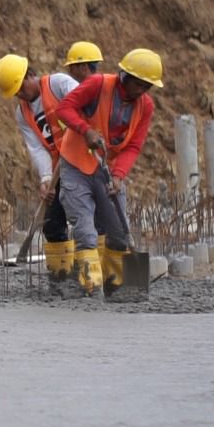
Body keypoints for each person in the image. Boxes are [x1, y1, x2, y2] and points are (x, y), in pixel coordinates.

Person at [54, 49, 161, 297]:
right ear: (125, 76)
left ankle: (118, 287)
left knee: (117, 231)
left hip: (108, 169)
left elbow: (133, 145)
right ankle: (91, 289)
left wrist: (119, 175)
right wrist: (86, 131)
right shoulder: (97, 85)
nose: (142, 90)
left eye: (148, 86)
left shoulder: (145, 106)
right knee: (85, 229)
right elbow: (64, 109)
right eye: (139, 84)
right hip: (77, 164)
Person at [0, 54, 80, 286]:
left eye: (21, 88)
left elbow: (87, 109)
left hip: (86, 160)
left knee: (89, 219)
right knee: (52, 223)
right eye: (15, 93)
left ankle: (97, 277)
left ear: (29, 75)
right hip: (59, 168)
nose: (20, 95)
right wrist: (45, 177)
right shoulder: (22, 113)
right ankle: (61, 279)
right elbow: (37, 148)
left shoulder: (59, 84)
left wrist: (73, 141)